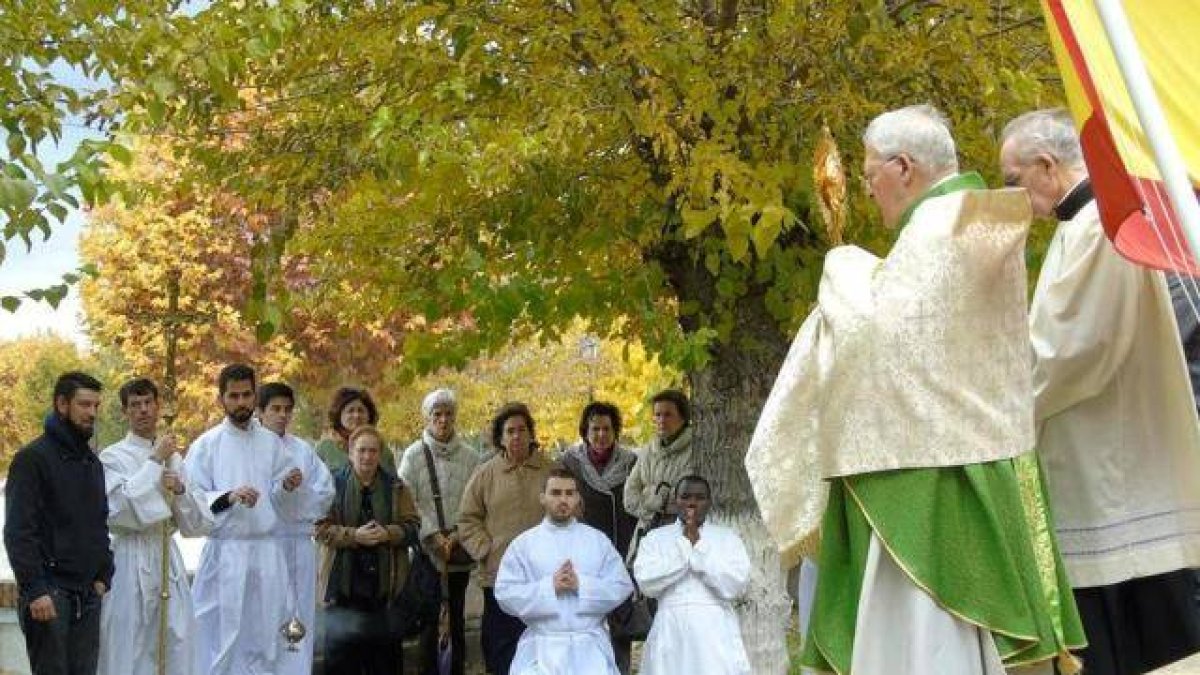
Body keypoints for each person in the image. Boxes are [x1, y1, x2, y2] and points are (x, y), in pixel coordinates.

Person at [746, 104, 1085, 674]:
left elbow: (882, 334)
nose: (866, 188)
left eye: (870, 172)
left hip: (931, 486)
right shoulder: (957, 220)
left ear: (903, 167)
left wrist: (840, 268)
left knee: (922, 646)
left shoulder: (952, 221)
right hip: (948, 464)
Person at [1002, 108, 1200, 674]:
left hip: (1116, 476)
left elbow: (1072, 350)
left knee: (1150, 641)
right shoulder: (1081, 227)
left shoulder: (1100, 229)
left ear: (1047, 166)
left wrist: (1003, 401)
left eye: (1014, 180)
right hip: (1099, 466)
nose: (1011, 196)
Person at [183, 364, 307, 675]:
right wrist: (229, 496)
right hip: (226, 552)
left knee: (269, 633)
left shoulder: (271, 443)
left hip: (266, 553)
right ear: (221, 399)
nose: (241, 402)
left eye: (246, 395)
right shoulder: (206, 446)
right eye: (234, 396)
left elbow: (284, 501)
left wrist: (287, 486)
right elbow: (191, 499)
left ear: (255, 396)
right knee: (221, 636)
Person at [97, 378, 211, 675]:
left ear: (158, 406)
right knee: (130, 644)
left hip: (165, 558)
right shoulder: (112, 457)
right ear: (125, 412)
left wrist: (181, 491)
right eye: (135, 405)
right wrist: (154, 461)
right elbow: (119, 509)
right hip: (129, 558)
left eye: (148, 402)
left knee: (175, 641)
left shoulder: (176, 459)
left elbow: (198, 524)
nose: (143, 410)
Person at [4, 371, 113, 675]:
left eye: (95, 405)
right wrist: (35, 589)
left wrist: (103, 574)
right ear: (62, 404)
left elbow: (99, 523)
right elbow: (18, 531)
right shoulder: (32, 459)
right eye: (84, 405)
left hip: (88, 594)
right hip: (49, 596)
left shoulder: (92, 463)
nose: (92, 413)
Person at [494, 466, 634, 675]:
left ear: (577, 498)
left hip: (590, 650)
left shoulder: (597, 541)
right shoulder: (523, 545)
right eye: (556, 493)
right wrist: (549, 588)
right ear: (542, 498)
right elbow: (505, 593)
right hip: (542, 650)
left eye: (569, 493)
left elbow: (622, 586)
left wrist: (581, 585)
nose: (563, 500)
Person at [316, 425, 420, 675]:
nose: (367, 456)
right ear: (350, 452)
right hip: (344, 592)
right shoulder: (333, 485)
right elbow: (320, 528)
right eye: (361, 450)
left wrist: (388, 533)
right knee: (342, 665)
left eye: (373, 451)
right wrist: (354, 536)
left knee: (384, 664)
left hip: (384, 594)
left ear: (380, 454)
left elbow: (413, 527)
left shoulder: (396, 487)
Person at [458, 402, 553, 675]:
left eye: (522, 430)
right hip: (499, 577)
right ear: (500, 438)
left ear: (531, 434)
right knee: (501, 648)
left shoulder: (550, 471)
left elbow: (569, 510)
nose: (516, 436)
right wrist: (486, 550)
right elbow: (467, 519)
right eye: (510, 431)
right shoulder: (485, 473)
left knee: (541, 648)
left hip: (543, 577)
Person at [396, 388, 482, 675]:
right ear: (427, 417)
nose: (443, 420)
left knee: (455, 618)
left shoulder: (470, 457)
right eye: (437, 414)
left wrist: (457, 534)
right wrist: (432, 535)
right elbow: (407, 499)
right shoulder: (413, 455)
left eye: (448, 414)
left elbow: (475, 501)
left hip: (458, 550)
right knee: (429, 621)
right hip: (426, 553)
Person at [634, 475, 750, 675]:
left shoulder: (727, 538)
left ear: (709, 502)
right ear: (675, 501)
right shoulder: (655, 538)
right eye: (685, 496)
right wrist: (685, 549)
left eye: (700, 497)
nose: (692, 503)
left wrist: (699, 550)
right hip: (670, 629)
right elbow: (647, 582)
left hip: (715, 632)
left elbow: (736, 585)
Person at [256, 382, 335, 675]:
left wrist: (296, 492)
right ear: (260, 411)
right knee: (267, 614)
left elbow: (324, 493)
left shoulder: (302, 450)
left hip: (299, 542)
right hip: (266, 543)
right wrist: (281, 491)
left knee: (298, 616)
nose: (282, 415)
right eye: (275, 409)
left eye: (287, 409)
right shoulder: (250, 449)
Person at [557, 401, 639, 674]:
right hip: (583, 555)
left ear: (615, 431)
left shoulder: (631, 463)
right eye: (595, 429)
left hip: (621, 551)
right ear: (585, 431)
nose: (601, 435)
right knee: (586, 623)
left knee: (620, 623)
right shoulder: (570, 463)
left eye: (607, 429)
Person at [623, 390, 695, 530]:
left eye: (668, 414)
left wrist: (647, 493)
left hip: (680, 533)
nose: (661, 420)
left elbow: (687, 500)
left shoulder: (695, 452)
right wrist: (654, 514)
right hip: (645, 531)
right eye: (657, 415)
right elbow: (629, 497)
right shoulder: (647, 451)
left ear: (683, 418)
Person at [314, 386, 397, 475]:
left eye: (361, 411)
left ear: (369, 415)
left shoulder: (381, 449)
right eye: (350, 411)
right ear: (339, 414)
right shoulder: (324, 448)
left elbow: (393, 481)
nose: (356, 415)